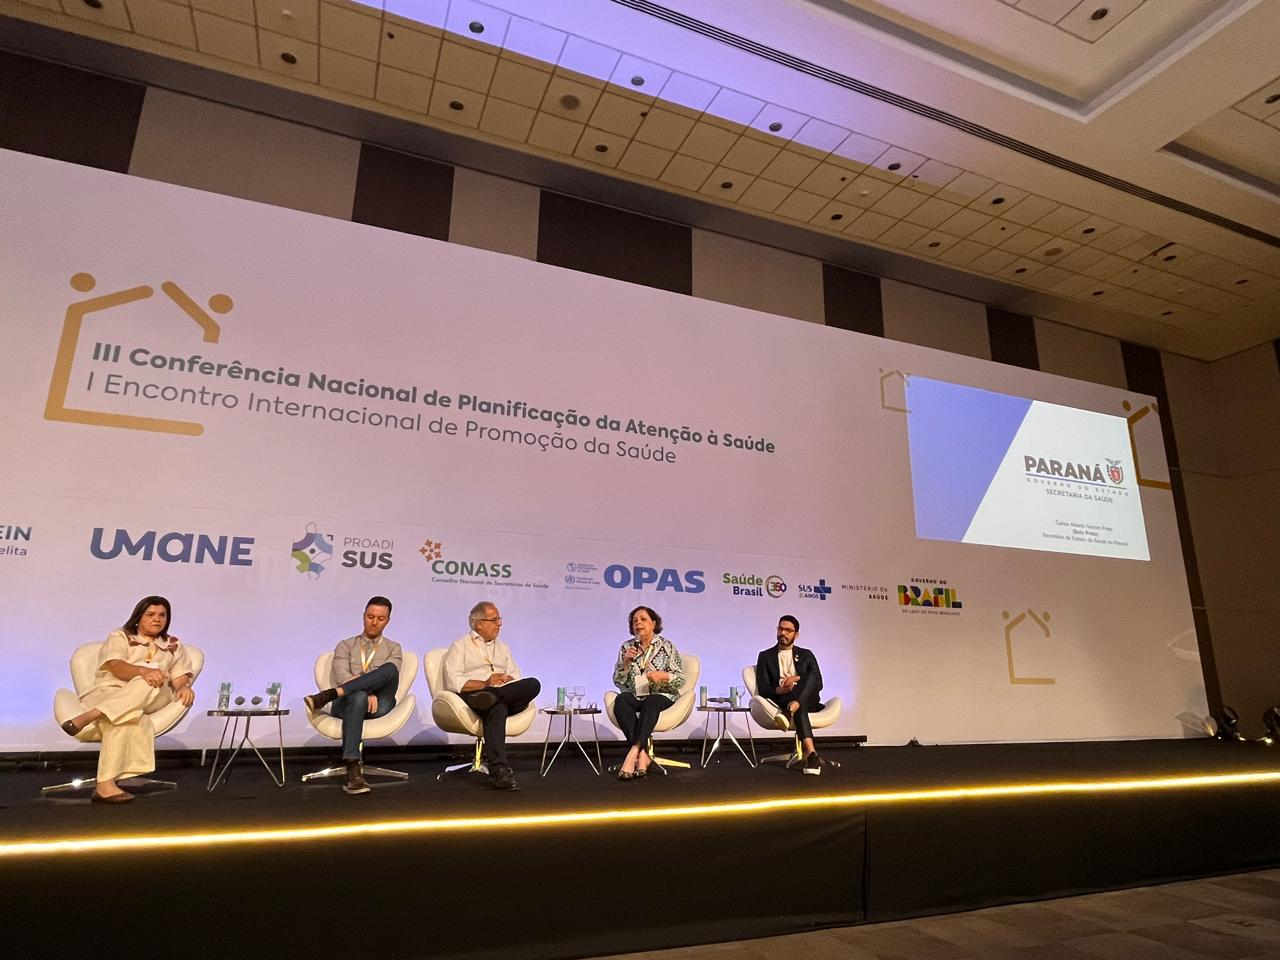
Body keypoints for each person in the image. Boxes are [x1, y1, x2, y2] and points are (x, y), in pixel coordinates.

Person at [60, 596, 196, 804]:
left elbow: (180, 674)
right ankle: (105, 785)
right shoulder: (120, 636)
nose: (157, 619)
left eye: (162, 615)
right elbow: (116, 667)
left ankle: (93, 714)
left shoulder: (173, 644)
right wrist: (142, 670)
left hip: (154, 694)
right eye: (151, 614)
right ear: (138, 617)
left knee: (148, 682)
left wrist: (184, 686)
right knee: (124, 717)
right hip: (110, 691)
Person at [304, 596, 402, 795]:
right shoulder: (345, 645)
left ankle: (329, 695)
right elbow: (341, 676)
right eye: (370, 617)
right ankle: (353, 767)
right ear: (363, 616)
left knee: (390, 669)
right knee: (358, 697)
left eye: (380, 619)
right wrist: (364, 692)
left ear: (388, 621)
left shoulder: (394, 648)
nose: (374, 622)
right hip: (348, 702)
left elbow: (389, 677)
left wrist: (369, 691)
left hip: (379, 703)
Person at [443, 601, 541, 790]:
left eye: (499, 619)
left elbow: (517, 675)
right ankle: (499, 771)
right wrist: (486, 683)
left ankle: (494, 696)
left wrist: (508, 679)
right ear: (479, 623)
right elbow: (453, 681)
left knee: (533, 683)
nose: (499, 624)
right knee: (497, 708)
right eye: (495, 620)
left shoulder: (503, 648)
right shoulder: (460, 645)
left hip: (503, 694)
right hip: (475, 696)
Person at [611, 605, 685, 780]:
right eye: (635, 621)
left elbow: (681, 679)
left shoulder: (667, 646)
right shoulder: (627, 647)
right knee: (621, 700)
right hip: (636, 695)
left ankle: (633, 753)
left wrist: (663, 676)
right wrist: (625, 664)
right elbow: (617, 681)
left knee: (651, 701)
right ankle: (643, 756)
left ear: (653, 623)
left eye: (643, 619)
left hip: (662, 696)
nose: (638, 623)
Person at [755, 614, 825, 775]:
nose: (783, 633)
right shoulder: (765, 656)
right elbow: (763, 688)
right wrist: (780, 689)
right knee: (798, 705)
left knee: (811, 676)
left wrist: (797, 678)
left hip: (809, 698)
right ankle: (811, 754)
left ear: (796, 634)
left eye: (788, 630)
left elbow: (818, 683)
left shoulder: (806, 654)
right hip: (783, 698)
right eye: (780, 629)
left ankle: (790, 710)